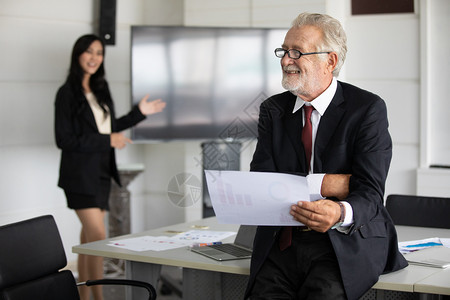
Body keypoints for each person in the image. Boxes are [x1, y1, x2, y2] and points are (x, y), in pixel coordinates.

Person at [245, 13, 407, 300]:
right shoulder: (273, 110)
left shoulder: (367, 109)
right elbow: (262, 182)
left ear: (330, 61)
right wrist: (328, 184)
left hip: (343, 242)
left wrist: (340, 211)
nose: (285, 60)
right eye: (283, 51)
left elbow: (369, 191)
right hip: (283, 241)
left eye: (297, 52)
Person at [54, 34, 166, 300]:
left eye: (99, 53)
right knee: (98, 236)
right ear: (78, 54)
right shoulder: (67, 93)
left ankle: (84, 296)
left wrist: (139, 113)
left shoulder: (100, 90)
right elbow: (64, 139)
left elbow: (110, 127)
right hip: (79, 176)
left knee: (89, 242)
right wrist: (108, 139)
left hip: (102, 174)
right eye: (89, 52)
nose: (94, 58)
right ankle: (99, 298)